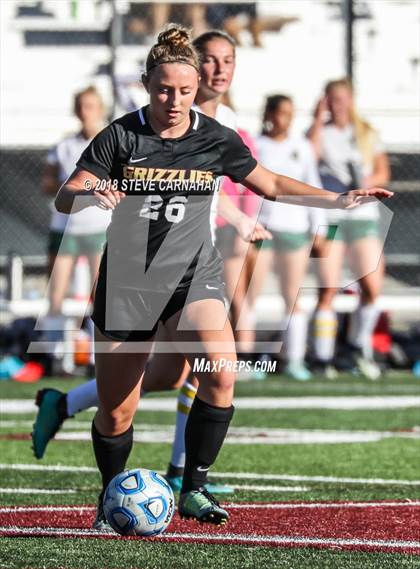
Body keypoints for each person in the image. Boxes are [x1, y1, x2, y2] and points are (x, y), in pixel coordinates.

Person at [51, 25, 392, 529]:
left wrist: (336, 200)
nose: (175, 100)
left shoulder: (214, 137)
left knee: (220, 370)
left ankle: (195, 486)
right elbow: (65, 195)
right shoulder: (121, 135)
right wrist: (89, 193)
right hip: (128, 283)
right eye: (165, 89)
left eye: (185, 91)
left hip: (194, 276)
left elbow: (270, 183)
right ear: (147, 83)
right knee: (116, 412)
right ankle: (109, 497)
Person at [32, 30, 269, 501]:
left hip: (193, 262)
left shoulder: (228, 122)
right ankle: (169, 468)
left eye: (228, 61)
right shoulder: (147, 124)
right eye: (213, 60)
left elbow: (209, 185)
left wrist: (240, 219)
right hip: (138, 269)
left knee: (186, 372)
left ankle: (183, 472)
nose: (220, 69)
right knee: (159, 379)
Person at [308, 78, 391, 379]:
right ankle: (322, 357)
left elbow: (383, 169)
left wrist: (365, 185)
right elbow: (310, 156)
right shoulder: (320, 133)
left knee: (372, 287)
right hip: (332, 218)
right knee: (327, 287)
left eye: (342, 98)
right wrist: (317, 118)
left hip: (363, 219)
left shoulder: (365, 132)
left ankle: (357, 348)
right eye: (332, 98)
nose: (338, 104)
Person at [252, 95, 327, 381]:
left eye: (290, 113)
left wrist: (318, 228)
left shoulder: (303, 147)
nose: (286, 118)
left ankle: (294, 359)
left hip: (295, 229)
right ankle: (250, 357)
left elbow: (311, 186)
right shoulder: (257, 145)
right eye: (281, 112)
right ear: (270, 114)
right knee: (249, 295)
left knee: (292, 295)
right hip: (263, 228)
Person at [42, 86, 111, 324]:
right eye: (81, 106)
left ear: (100, 109)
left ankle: (95, 353)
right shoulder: (64, 146)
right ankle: (55, 351)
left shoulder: (110, 143)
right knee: (56, 292)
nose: (85, 112)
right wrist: (69, 185)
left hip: (99, 228)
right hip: (66, 227)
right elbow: (48, 184)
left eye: (90, 106)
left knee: (101, 293)